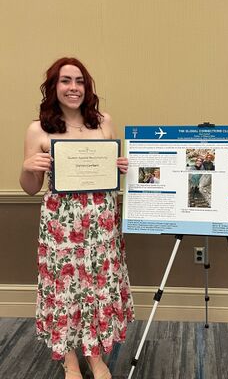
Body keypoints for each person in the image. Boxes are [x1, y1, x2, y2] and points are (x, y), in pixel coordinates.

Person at [19, 57, 134, 379]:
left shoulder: (104, 122)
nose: (74, 88)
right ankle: (69, 358)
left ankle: (96, 356)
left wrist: (118, 167)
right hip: (62, 228)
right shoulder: (37, 129)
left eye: (80, 81)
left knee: (98, 289)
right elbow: (30, 189)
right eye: (66, 81)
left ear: (88, 86)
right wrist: (28, 168)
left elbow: (108, 175)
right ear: (54, 87)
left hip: (102, 226)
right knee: (65, 290)